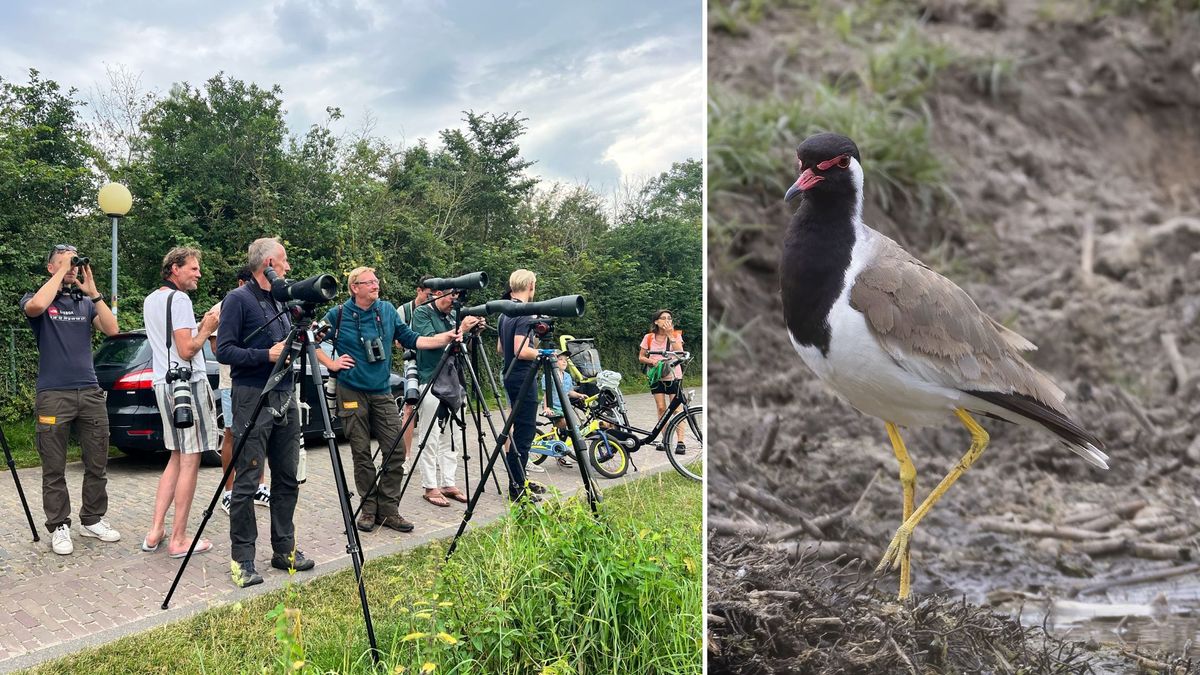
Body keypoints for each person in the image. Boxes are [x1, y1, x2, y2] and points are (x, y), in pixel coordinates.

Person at [315, 267, 458, 531]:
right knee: (361, 452)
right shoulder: (339, 314)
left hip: (381, 391)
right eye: (369, 282)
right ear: (354, 287)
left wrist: (443, 338)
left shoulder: (388, 311)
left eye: (376, 281)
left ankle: (389, 510)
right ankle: (368, 509)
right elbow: (310, 338)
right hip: (351, 391)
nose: (375, 285)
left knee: (396, 451)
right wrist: (331, 364)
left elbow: (412, 339)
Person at [216, 236, 309, 587]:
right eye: (284, 261)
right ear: (269, 262)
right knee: (249, 480)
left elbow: (286, 347)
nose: (288, 267)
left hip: (286, 394)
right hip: (252, 395)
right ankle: (243, 559)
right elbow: (224, 351)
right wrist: (264, 356)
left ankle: (284, 549)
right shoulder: (238, 299)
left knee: (287, 476)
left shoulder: (281, 301)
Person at [20, 244, 120, 555]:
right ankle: (59, 525)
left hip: (89, 392)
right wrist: (63, 270)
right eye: (63, 263)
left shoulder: (84, 303)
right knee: (54, 466)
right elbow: (36, 305)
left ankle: (92, 519)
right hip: (53, 394)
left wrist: (94, 293)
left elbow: (113, 330)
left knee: (97, 462)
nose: (72, 268)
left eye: (74, 263)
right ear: (51, 268)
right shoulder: (35, 297)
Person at [141, 247, 221, 557]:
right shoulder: (181, 300)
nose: (198, 273)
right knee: (191, 459)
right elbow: (187, 349)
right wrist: (207, 329)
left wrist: (198, 329)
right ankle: (179, 539)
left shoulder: (151, 299)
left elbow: (171, 344)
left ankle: (155, 531)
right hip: (187, 385)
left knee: (175, 456)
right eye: (193, 268)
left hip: (163, 383)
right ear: (175, 268)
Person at [411, 288, 483, 506]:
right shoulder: (422, 313)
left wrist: (472, 333)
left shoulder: (453, 315)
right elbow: (430, 341)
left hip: (454, 380)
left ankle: (448, 482)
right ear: (439, 293)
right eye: (452, 296)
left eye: (458, 298)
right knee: (430, 434)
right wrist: (460, 328)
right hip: (431, 378)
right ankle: (430, 486)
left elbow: (462, 347)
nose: (455, 301)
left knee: (453, 434)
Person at [210, 265, 269, 516]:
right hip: (232, 383)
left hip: (259, 383)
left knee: (261, 433)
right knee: (232, 434)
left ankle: (260, 486)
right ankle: (229, 491)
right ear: (241, 282)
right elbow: (218, 350)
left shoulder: (267, 302)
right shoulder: (224, 306)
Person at [498, 269, 546, 502]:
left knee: (516, 430)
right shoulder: (526, 314)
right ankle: (517, 489)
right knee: (525, 434)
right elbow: (521, 350)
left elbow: (501, 349)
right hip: (523, 376)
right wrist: (544, 353)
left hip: (509, 374)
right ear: (530, 285)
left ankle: (517, 481)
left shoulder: (505, 312)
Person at [639, 309, 686, 454]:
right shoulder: (648, 337)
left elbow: (680, 354)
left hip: (673, 375)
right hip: (656, 376)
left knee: (677, 409)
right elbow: (641, 357)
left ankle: (680, 442)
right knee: (661, 408)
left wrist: (670, 335)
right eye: (663, 318)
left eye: (669, 318)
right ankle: (665, 439)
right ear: (656, 321)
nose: (667, 321)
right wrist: (651, 361)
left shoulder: (676, 335)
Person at [397, 276, 432, 459]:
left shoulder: (434, 310)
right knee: (409, 408)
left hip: (431, 362)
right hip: (412, 362)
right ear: (419, 290)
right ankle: (406, 455)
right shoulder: (404, 310)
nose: (430, 298)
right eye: (428, 294)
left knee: (431, 407)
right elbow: (397, 341)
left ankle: (428, 454)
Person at [542, 352, 585, 468]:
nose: (564, 361)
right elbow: (546, 393)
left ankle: (557, 444)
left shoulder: (567, 376)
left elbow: (569, 392)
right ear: (554, 362)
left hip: (564, 407)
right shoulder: (549, 375)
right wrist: (546, 408)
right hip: (552, 406)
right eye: (561, 359)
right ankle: (559, 450)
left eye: (565, 359)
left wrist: (580, 395)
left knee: (574, 426)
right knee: (565, 423)